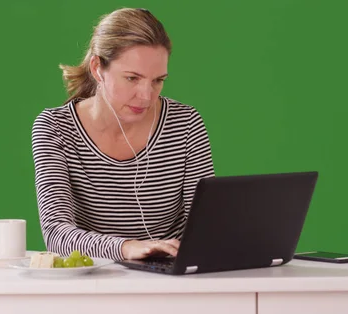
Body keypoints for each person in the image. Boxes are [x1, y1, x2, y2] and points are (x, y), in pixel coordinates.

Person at [31, 7, 215, 261]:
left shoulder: (185, 123)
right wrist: (126, 247)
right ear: (97, 68)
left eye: (157, 80)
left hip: (172, 280)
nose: (147, 95)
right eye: (132, 78)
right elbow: (56, 233)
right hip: (93, 282)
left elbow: (206, 225)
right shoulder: (55, 128)